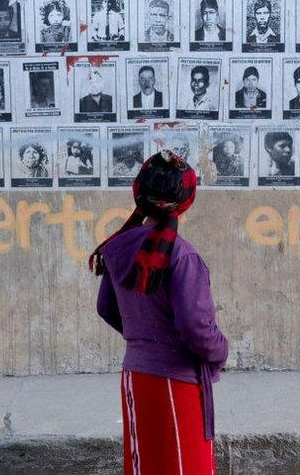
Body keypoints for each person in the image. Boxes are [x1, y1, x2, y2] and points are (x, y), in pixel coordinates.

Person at [92, 150, 228, 474]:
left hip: (134, 378)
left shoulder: (118, 246)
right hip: (176, 384)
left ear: (139, 194)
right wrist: (221, 351)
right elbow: (196, 328)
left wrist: (143, 339)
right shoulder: (182, 256)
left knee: (146, 466)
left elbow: (106, 308)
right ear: (185, 200)